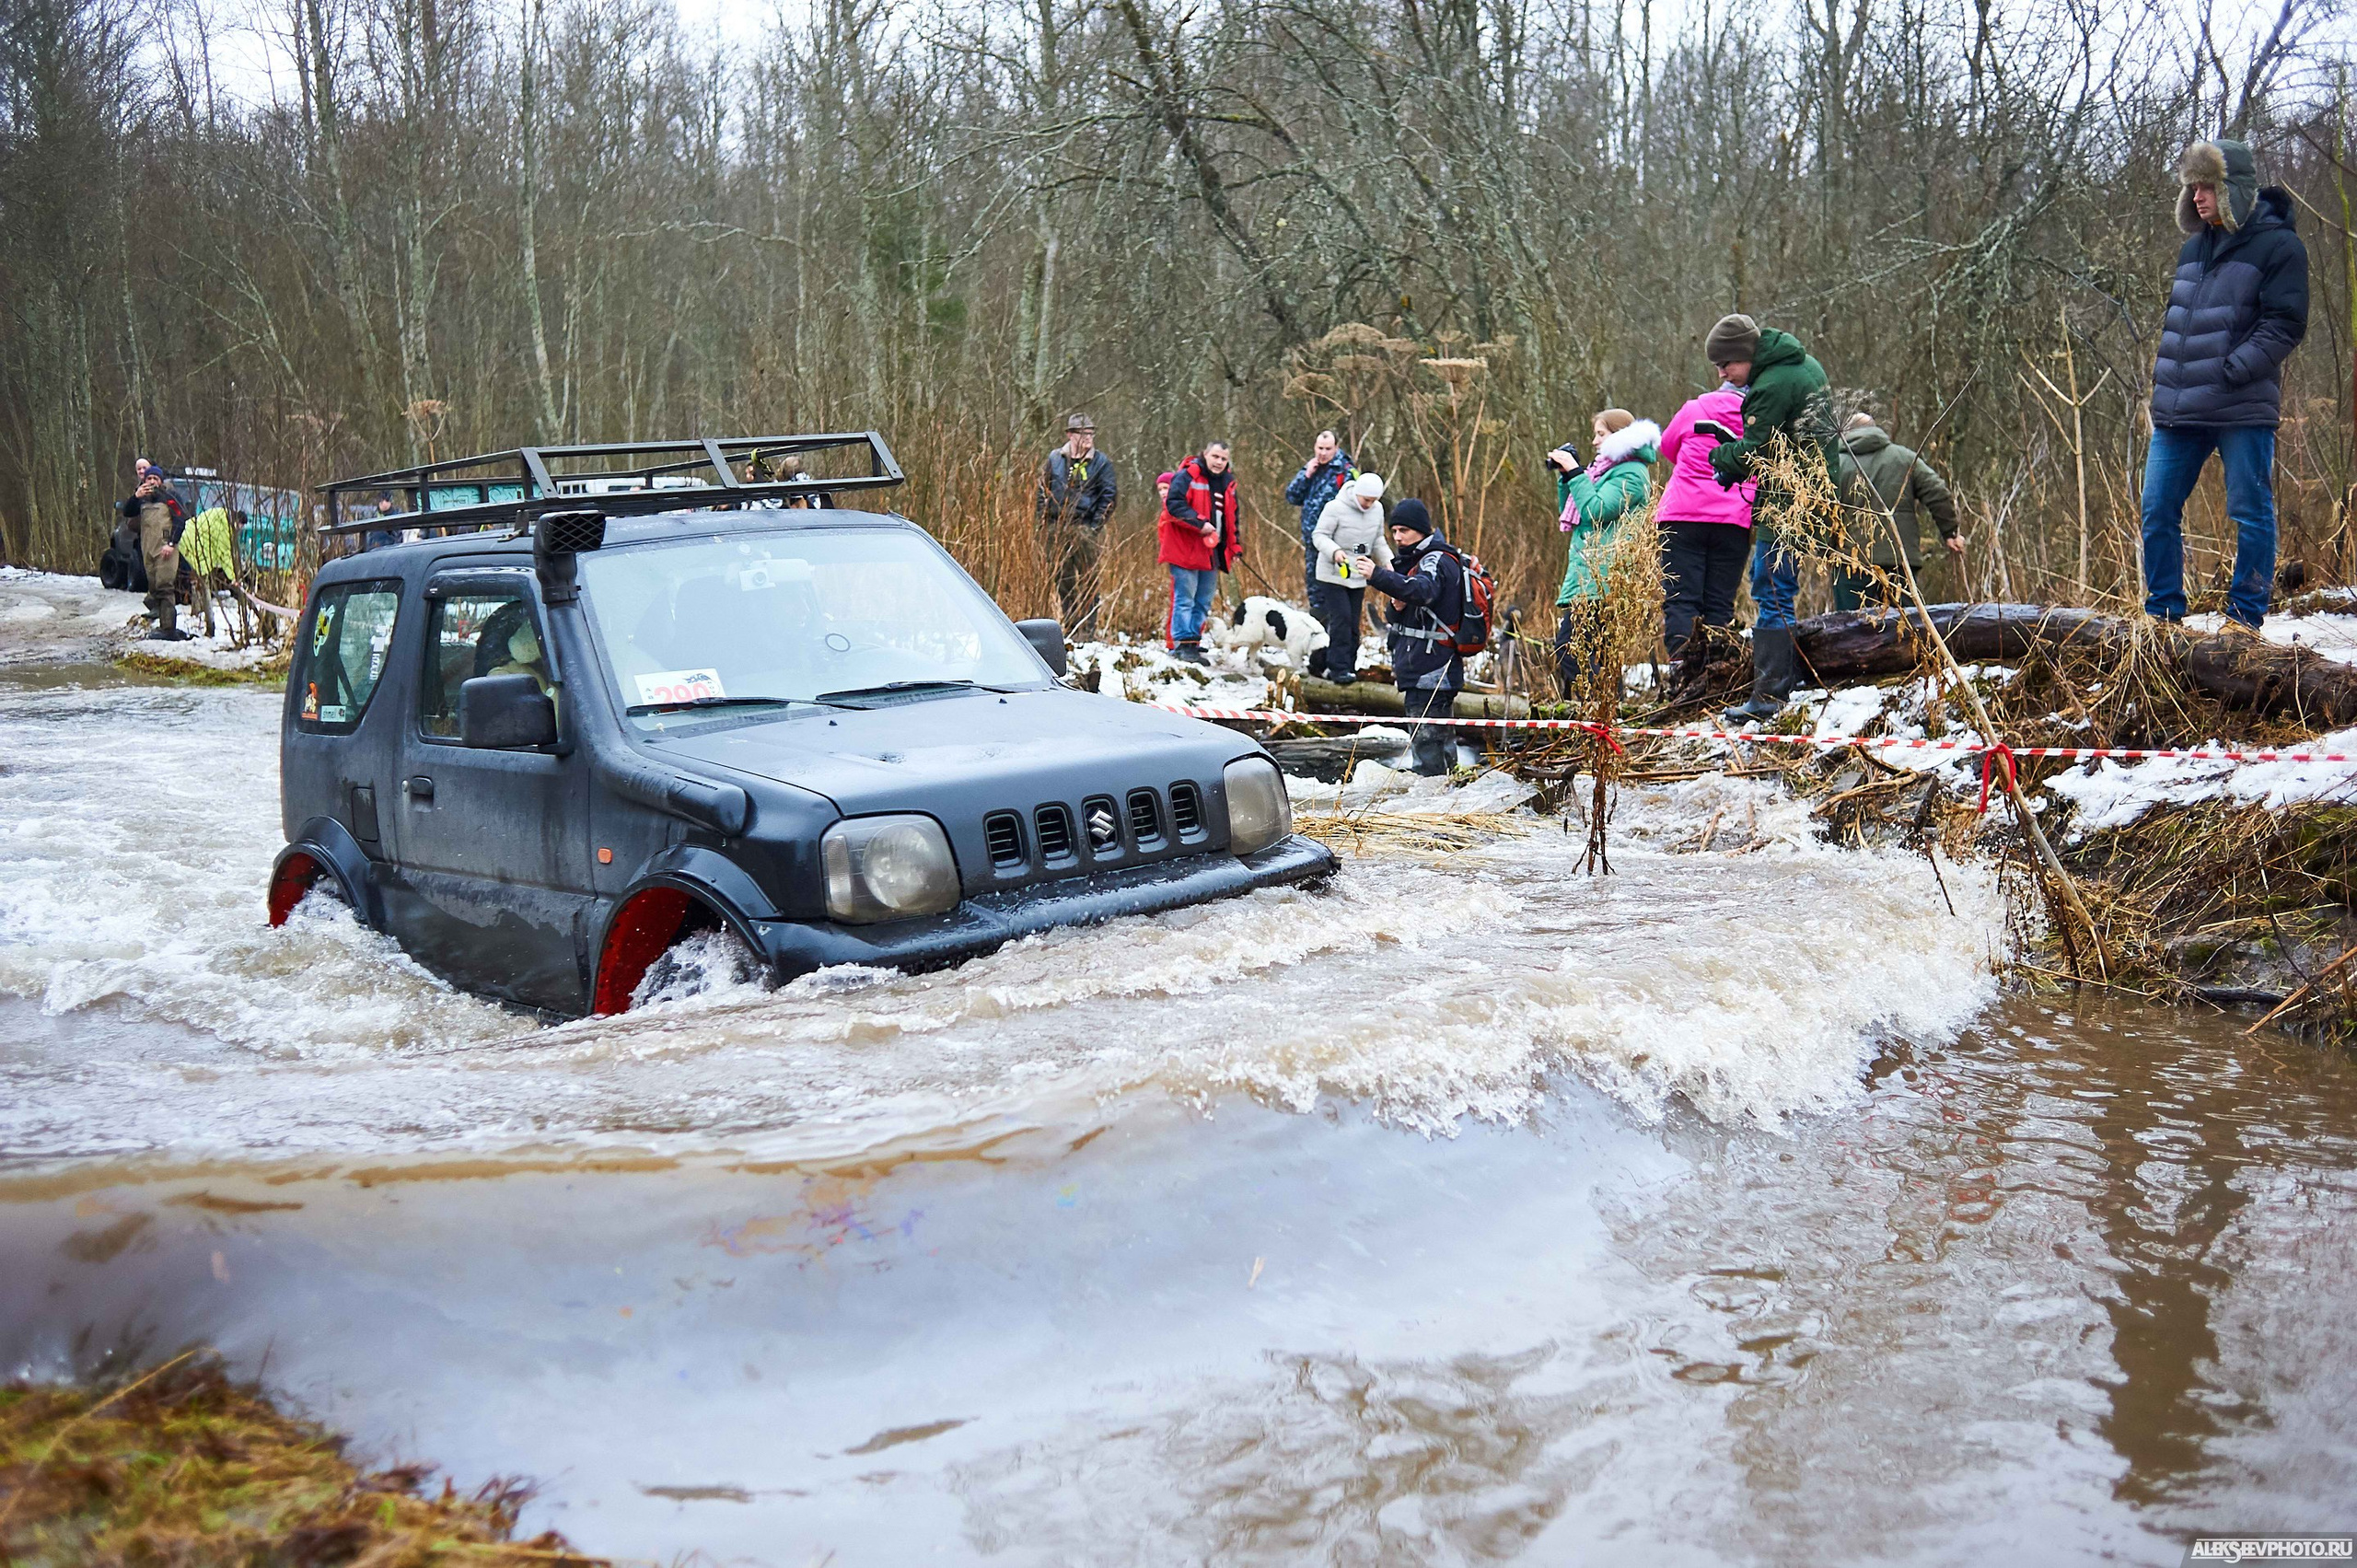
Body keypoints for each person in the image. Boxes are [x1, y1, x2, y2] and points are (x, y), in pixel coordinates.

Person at [2141, 137, 2310, 628]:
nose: (2197, 196)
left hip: (2241, 404)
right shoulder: (2193, 247)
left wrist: (2233, 369)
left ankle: (2244, 622)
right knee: (2157, 509)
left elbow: (2286, 323)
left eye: (2207, 186)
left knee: (2250, 511)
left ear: (2233, 188)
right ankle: (2163, 619)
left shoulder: (2280, 245)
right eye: (2192, 187)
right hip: (2180, 407)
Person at [1701, 312, 1838, 725]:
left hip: (1787, 501)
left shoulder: (1771, 384)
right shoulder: (1802, 365)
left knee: (1771, 589)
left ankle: (1770, 697)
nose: (1722, 374)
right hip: (1811, 492)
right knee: (1777, 587)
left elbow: (1756, 451)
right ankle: (1786, 683)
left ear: (1746, 354)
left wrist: (1720, 457)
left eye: (1726, 364)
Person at [1550, 410, 1660, 695]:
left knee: (1569, 648)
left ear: (1620, 436)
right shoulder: (1604, 470)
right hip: (1592, 575)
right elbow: (1573, 511)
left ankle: (1603, 705)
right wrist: (1567, 476)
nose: (1595, 441)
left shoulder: (1631, 473)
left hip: (1607, 576)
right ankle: (1608, 710)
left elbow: (1596, 511)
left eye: (1601, 434)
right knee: (1601, 654)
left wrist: (1576, 473)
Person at [1655, 373, 1757, 676]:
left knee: (1681, 598)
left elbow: (1667, 447)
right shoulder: (1758, 417)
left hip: (1683, 514)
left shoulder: (1694, 409)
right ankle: (1713, 673)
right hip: (1734, 518)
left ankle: (1682, 671)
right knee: (1719, 603)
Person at [1367, 498, 1465, 776]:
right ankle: (1449, 788)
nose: (1397, 537)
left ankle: (1434, 796)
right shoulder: (1418, 560)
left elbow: (1423, 590)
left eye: (1404, 531)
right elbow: (1402, 613)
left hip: (1431, 668)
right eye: (1394, 531)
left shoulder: (1435, 559)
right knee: (1439, 744)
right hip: (1425, 667)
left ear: (1421, 530)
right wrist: (1396, 606)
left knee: (1429, 748)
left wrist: (1377, 575)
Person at [1833, 411, 1961, 609]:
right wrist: (1950, 533)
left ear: (1846, 433)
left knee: (1850, 623)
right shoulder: (1904, 458)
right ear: (1875, 430)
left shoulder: (1836, 464)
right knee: (1904, 622)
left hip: (1851, 561)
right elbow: (1937, 491)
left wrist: (1826, 549)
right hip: (1899, 560)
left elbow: (1820, 510)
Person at [1158, 441, 1244, 664]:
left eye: (1223, 459)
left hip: (1212, 552)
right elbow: (1173, 505)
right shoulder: (1188, 475)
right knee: (1185, 599)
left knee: (1203, 601)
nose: (1219, 462)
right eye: (1215, 456)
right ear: (1205, 454)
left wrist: (1234, 546)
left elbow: (1232, 519)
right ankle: (1181, 644)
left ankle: (1193, 642)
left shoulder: (1227, 483)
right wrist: (1199, 523)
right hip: (1185, 549)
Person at [1035, 412, 1119, 638]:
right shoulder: (1055, 459)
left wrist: (1093, 527)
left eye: (1091, 433)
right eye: (1083, 433)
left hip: (1085, 528)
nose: (1088, 437)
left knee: (1088, 580)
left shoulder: (1101, 462)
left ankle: (1088, 631)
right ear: (1070, 435)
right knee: (1064, 580)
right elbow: (1043, 491)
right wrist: (1043, 524)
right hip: (1056, 529)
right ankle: (1071, 628)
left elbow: (1109, 496)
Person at [1309, 470, 1390, 683]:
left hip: (1358, 574)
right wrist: (1335, 551)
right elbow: (1319, 536)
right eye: (1366, 500)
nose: (1369, 504)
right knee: (1342, 619)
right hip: (1332, 573)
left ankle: (1349, 666)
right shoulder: (1335, 507)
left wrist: (1389, 562)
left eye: (1373, 500)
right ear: (1357, 493)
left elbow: (1378, 540)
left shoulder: (1377, 510)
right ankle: (1337, 668)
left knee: (1354, 622)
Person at [1283, 429, 1356, 601]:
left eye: (1328, 449)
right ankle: (1317, 617)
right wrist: (1306, 475)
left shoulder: (1345, 472)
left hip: (1336, 544)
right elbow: (1292, 496)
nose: (1323, 453)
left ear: (1336, 448)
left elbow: (1355, 507)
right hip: (1313, 543)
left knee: (1335, 591)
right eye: (1320, 448)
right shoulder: (1312, 468)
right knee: (1315, 592)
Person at [118, 465, 187, 640]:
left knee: (165, 586)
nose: (152, 481)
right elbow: (127, 512)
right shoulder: (141, 499)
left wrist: (171, 543)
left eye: (156, 478)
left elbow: (180, 519)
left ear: (161, 481)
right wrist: (136, 496)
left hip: (166, 548)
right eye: (149, 478)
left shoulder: (170, 497)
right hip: (148, 548)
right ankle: (157, 614)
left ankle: (168, 629)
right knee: (154, 586)